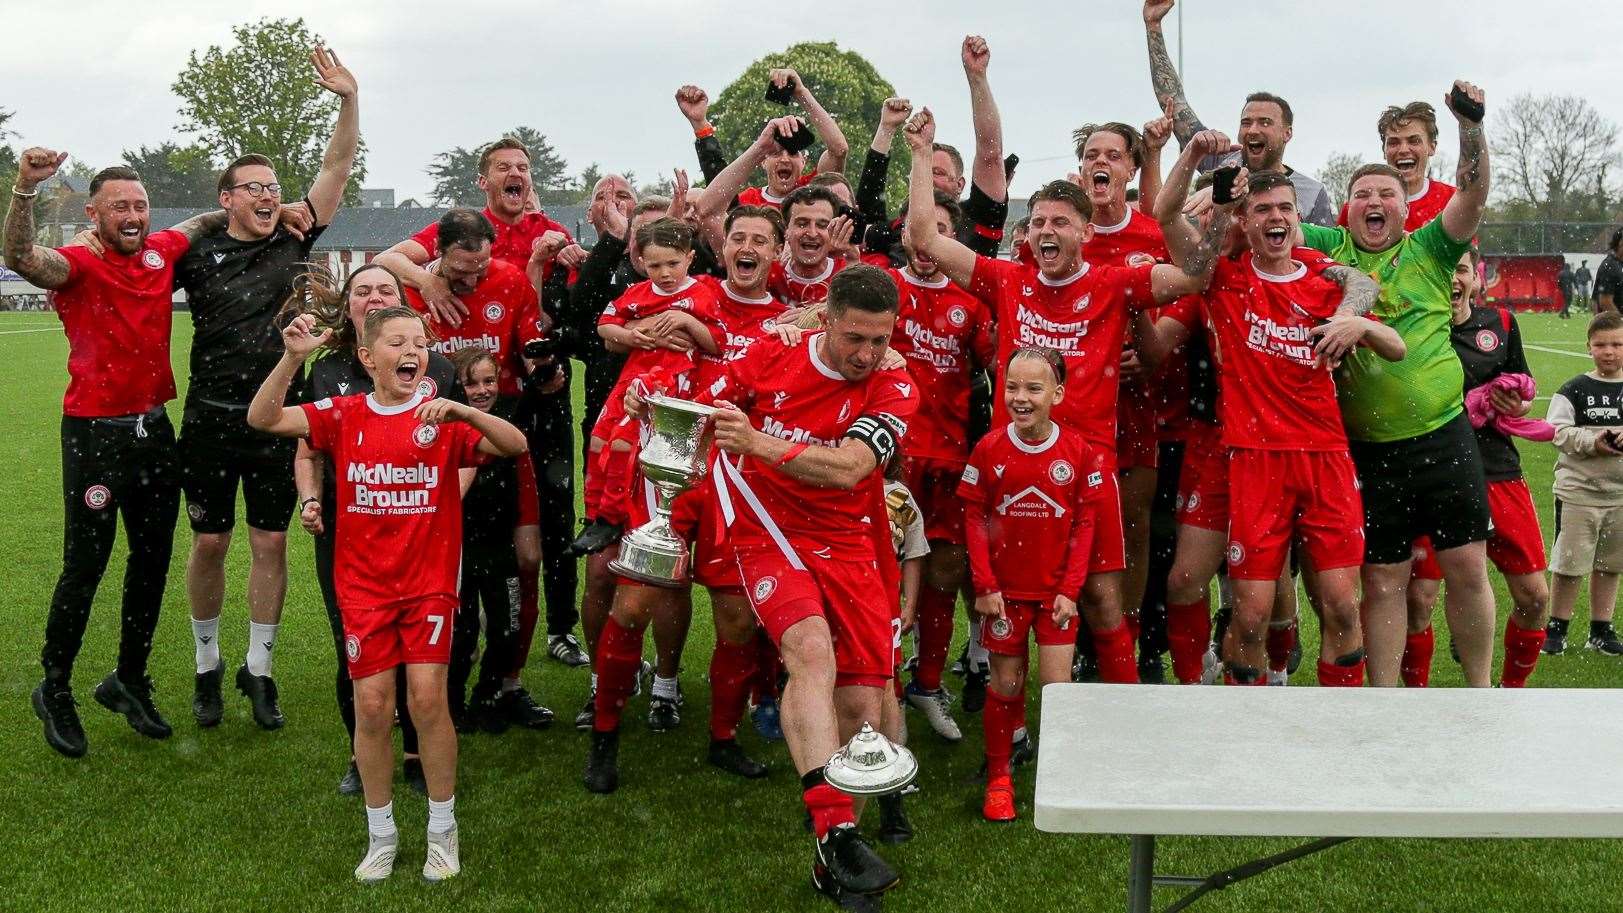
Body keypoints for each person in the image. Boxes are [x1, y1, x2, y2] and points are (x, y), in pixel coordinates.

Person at [903, 107, 1208, 686]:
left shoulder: (1113, 284)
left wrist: (1179, 180)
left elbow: (1195, 275)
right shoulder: (1007, 281)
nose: (1047, 231)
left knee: (1099, 599)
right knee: (1007, 604)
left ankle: (1122, 707)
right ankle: (1010, 740)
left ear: (1086, 233)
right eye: (1039, 221)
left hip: (1088, 471)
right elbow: (925, 238)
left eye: (1061, 222)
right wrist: (920, 156)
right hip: (1012, 469)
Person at [249, 305, 528, 883]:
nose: (412, 351)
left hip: (428, 586)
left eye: (420, 343)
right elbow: (264, 419)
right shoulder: (344, 414)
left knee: (427, 701)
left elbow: (515, 444)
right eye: (398, 342)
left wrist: (465, 412)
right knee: (373, 707)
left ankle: (442, 829)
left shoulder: (442, 418)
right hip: (364, 587)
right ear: (367, 358)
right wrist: (291, 359)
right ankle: (381, 833)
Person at [696, 264, 917, 906]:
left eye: (880, 339)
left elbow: (850, 468)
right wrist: (657, 403)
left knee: (862, 708)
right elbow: (714, 402)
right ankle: (836, 831)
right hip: (769, 529)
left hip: (851, 541)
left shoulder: (896, 382)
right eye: (856, 338)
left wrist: (762, 443)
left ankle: (833, 848)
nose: (868, 354)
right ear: (825, 316)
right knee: (810, 653)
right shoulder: (774, 351)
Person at [161, 47, 359, 731]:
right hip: (211, 417)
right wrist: (199, 226)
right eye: (253, 187)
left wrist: (347, 99)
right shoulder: (197, 251)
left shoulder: (297, 236)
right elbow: (149, 253)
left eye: (273, 185)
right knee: (211, 543)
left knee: (271, 544)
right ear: (227, 198)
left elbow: (335, 168)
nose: (269, 194)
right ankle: (207, 664)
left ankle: (261, 669)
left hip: (279, 419)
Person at [8, 152, 230, 758]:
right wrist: (26, 188)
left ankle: (129, 679)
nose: (132, 216)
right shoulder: (78, 263)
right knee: (86, 563)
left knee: (154, 558)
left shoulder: (159, 251)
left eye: (139, 205)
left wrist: (254, 206)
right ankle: (55, 687)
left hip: (154, 431)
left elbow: (200, 225)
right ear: (93, 214)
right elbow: (22, 258)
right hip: (94, 435)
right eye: (119, 207)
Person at [1157, 139, 1398, 685]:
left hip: (1326, 458)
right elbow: (1166, 214)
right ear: (1243, 219)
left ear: (1298, 217)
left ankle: (1338, 729)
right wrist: (1195, 161)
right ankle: (1245, 717)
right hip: (1254, 459)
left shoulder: (1323, 278)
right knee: (1249, 613)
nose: (1276, 217)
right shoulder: (1223, 278)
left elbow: (1383, 320)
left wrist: (1355, 321)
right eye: (1263, 209)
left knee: (1340, 605)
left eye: (1285, 208)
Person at [1295, 80, 1497, 687]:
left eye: (1386, 193)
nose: (1374, 202)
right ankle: (1384, 702)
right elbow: (1268, 224)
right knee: (1382, 579)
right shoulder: (1328, 246)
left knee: (1465, 568)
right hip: (1371, 452)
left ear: (1407, 208)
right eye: (1362, 195)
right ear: (1347, 210)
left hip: (1443, 438)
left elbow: (1474, 190)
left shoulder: (1431, 248)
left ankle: (1480, 692)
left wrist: (1470, 126)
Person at [378, 136, 590, 673]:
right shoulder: (439, 255)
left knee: (538, 536)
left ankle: (531, 653)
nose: (471, 279)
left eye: (522, 167)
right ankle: (427, 650)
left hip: (512, 415)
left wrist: (547, 369)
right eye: (503, 168)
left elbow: (539, 324)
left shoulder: (527, 256)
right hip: (438, 422)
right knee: (443, 539)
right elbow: (387, 259)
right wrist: (427, 279)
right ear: (484, 181)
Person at [289, 263, 458, 794]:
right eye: (363, 291)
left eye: (386, 288)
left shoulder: (439, 369)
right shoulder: (326, 369)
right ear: (350, 306)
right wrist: (311, 499)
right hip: (349, 533)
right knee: (354, 648)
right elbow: (307, 445)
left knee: (423, 658)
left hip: (422, 533)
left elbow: (464, 449)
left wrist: (438, 506)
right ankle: (361, 753)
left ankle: (413, 750)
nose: (375, 297)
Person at [1403, 249, 1553, 686]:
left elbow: (1522, 387)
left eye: (1461, 270)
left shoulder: (1501, 324)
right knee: (1419, 600)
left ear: (1475, 278)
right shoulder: (1413, 327)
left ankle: (1508, 693)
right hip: (1432, 472)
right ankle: (1417, 703)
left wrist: (1515, 400)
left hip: (1496, 471)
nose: (1453, 278)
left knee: (1534, 596)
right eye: (1445, 269)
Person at [960, 347, 1092, 821]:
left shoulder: (1077, 453)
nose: (1020, 397)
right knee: (1006, 681)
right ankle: (999, 778)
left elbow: (1084, 526)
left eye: (1033, 389)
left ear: (1057, 393)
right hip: (1004, 597)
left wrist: (1070, 590)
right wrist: (985, 584)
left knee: (1056, 686)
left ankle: (1059, 774)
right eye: (1012, 386)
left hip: (1054, 596)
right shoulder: (989, 449)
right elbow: (974, 517)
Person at [884, 190, 994, 743]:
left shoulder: (971, 304)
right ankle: (883, 685)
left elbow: (1003, 359)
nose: (928, 244)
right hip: (890, 457)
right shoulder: (884, 290)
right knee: (881, 577)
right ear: (905, 234)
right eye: (920, 230)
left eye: (943, 231)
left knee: (945, 577)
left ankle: (927, 684)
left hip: (950, 457)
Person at [1142, 0, 1337, 227]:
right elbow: (1173, 103)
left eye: (1265, 122)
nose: (1253, 129)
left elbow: (1322, 250)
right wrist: (1153, 25)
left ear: (1287, 133)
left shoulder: (1312, 193)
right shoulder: (1220, 165)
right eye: (1246, 122)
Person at [447, 346, 547, 732]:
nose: (482, 390)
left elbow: (525, 483)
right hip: (459, 547)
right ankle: (452, 703)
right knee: (462, 631)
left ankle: (489, 696)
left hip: (500, 545)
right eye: (471, 383)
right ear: (458, 387)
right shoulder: (450, 430)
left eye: (489, 381)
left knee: (507, 626)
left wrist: (528, 528)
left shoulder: (508, 424)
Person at [1544, 311, 1623, 657]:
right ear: (1588, 347)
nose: (1609, 351)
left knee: (1610, 564)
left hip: (1620, 495)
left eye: (1618, 344)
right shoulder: (1574, 389)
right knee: (1570, 564)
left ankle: (1600, 630)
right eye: (1601, 344)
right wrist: (1593, 442)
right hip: (1579, 493)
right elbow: (1556, 432)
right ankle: (1556, 629)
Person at [1336, 102, 1456, 230]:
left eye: (1414, 141)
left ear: (1432, 147)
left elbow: (1467, 248)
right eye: (1394, 143)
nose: (1403, 150)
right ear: (1384, 150)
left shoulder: (1452, 200)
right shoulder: (1357, 206)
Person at [1594, 230, 1623, 314]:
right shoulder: (1611, 266)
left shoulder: (1617, 264)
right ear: (1619, 244)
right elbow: (1605, 302)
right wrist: (1620, 322)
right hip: (1612, 324)